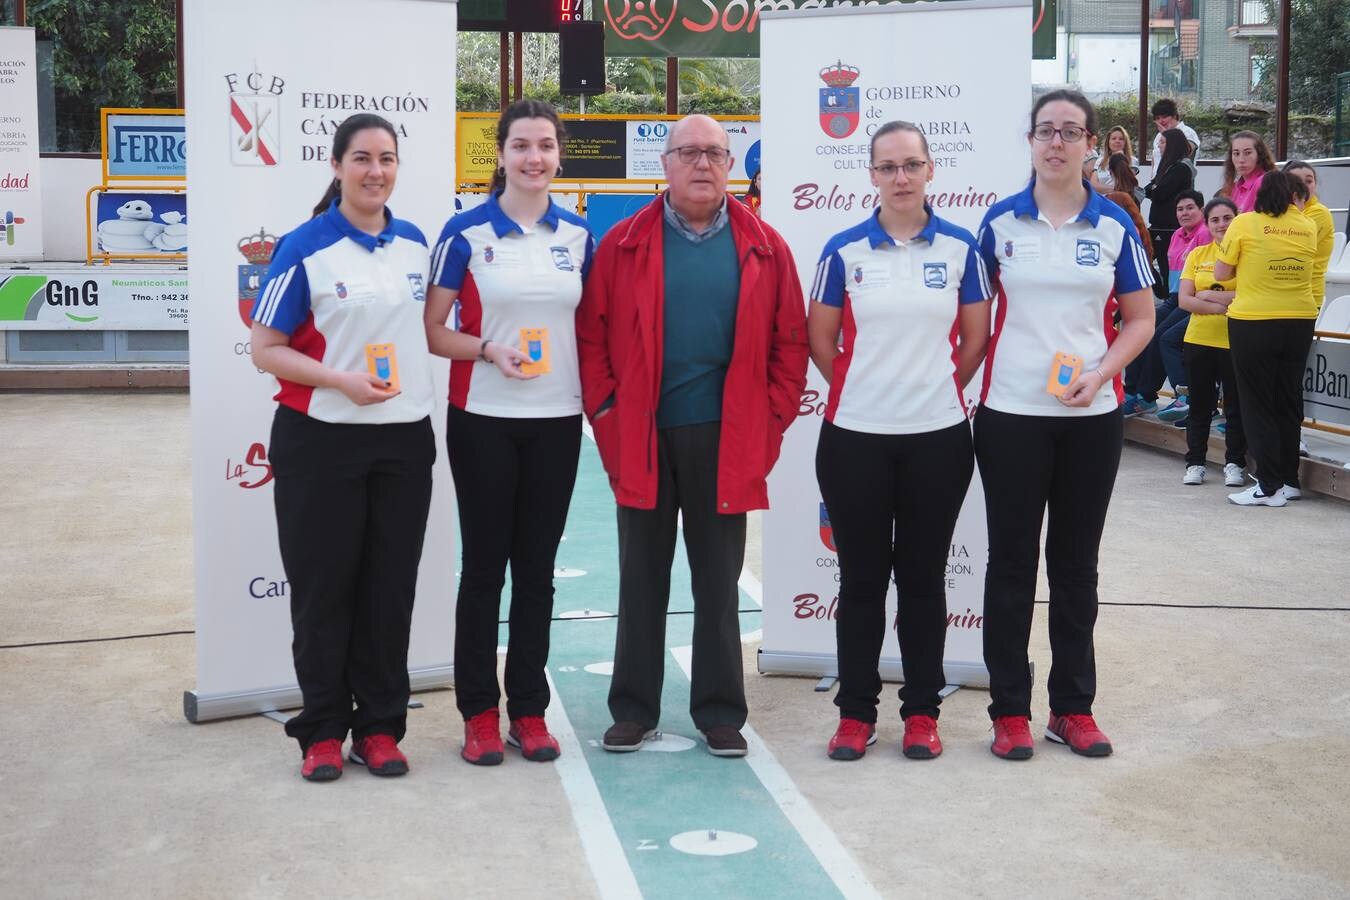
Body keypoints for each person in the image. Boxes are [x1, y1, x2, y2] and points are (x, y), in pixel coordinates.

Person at [577, 114, 809, 758]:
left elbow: (790, 343)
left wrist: (769, 422)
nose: (702, 163)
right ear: (666, 163)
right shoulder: (623, 241)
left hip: (728, 436)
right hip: (642, 435)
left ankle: (719, 712)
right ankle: (633, 708)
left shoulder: (766, 245)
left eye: (714, 152)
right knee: (641, 577)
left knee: (717, 581)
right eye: (689, 152)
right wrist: (609, 415)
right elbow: (592, 338)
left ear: (729, 163)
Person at [250, 113, 437, 782]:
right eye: (361, 158)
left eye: (386, 159)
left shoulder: (417, 243)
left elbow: (435, 334)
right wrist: (339, 381)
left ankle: (380, 728)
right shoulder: (304, 247)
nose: (375, 171)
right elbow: (264, 349)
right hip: (321, 440)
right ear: (336, 166)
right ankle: (323, 730)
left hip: (405, 443)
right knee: (325, 592)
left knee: (389, 591)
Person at [975, 90, 1155, 760]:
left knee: (1076, 568)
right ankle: (1009, 712)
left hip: (1091, 419)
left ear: (1090, 144)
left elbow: (1140, 319)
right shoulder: (999, 225)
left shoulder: (1114, 225)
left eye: (1070, 131)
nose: (1057, 142)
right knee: (1012, 566)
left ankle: (1072, 708)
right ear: (1030, 141)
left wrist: (1102, 372)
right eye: (1045, 130)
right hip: (1011, 417)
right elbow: (968, 316)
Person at [807, 121, 991, 762]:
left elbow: (974, 343)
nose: (901, 177)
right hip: (854, 437)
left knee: (921, 580)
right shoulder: (843, 249)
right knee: (859, 582)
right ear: (872, 175)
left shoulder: (963, 249)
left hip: (938, 439)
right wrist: (865, 392)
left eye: (911, 164)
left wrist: (930, 391)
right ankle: (856, 715)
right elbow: (820, 340)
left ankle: (920, 714)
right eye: (888, 167)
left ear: (931, 169)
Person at [424, 100, 594, 766]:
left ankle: (528, 708)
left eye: (546, 146)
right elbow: (434, 330)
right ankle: (478, 714)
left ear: (557, 156)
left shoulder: (580, 235)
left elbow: (595, 327)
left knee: (538, 572)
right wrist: (488, 350)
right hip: (484, 420)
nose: (534, 158)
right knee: (485, 570)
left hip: (556, 420)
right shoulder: (464, 233)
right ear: (499, 154)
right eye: (521, 145)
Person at [1216, 172, 1319, 507]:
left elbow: (1221, 273)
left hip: (1254, 320)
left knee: (1257, 402)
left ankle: (1269, 486)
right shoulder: (1307, 225)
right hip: (1300, 319)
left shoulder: (1245, 223)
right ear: (1294, 196)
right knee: (1288, 400)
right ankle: (1289, 481)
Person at [1177, 196, 1246, 486]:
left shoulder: (1247, 255)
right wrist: (1222, 305)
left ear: (1237, 220)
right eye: (1215, 219)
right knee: (1200, 406)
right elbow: (1184, 300)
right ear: (1208, 223)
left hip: (1234, 341)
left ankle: (1234, 464)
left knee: (1235, 408)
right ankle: (1195, 463)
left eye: (1227, 218)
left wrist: (1206, 295)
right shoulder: (1197, 255)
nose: (1221, 224)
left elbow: (1248, 295)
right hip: (1199, 339)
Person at [1153, 188, 1212, 423]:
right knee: (1145, 331)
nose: (1184, 213)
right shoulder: (1177, 234)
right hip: (1174, 296)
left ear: (1201, 210)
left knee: (1166, 338)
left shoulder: (1205, 233)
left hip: (1192, 296)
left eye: (1190, 208)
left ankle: (1184, 395)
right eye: (1180, 209)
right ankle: (1142, 392)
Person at [1143, 128, 1195, 295]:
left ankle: (1166, 296)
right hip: (1157, 224)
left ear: (1172, 144)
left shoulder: (1181, 168)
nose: (1159, 145)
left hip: (1169, 227)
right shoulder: (1167, 166)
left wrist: (1155, 188)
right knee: (1141, 261)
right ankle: (1163, 294)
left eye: (1163, 142)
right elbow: (1149, 187)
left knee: (1166, 267)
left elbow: (1158, 192)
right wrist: (1154, 188)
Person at [1283, 161, 1335, 307]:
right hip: (1280, 292)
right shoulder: (1280, 211)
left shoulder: (1319, 212)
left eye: (1309, 181)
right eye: (1296, 181)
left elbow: (1286, 245)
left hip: (1306, 294)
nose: (1303, 186)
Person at [1217, 131, 1276, 213]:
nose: (1241, 160)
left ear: (1259, 155)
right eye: (1236, 153)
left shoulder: (1266, 183)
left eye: (1248, 153)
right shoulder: (1233, 187)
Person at [1087, 125, 1137, 192]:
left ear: (1125, 142)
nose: (1117, 141)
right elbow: (1093, 185)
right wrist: (1114, 189)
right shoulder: (1100, 161)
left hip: (1122, 200)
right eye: (1114, 138)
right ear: (1108, 142)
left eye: (1121, 139)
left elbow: (1126, 184)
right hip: (1102, 200)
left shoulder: (1132, 160)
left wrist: (1120, 157)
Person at [1150, 98, 1199, 163]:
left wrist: (1168, 136)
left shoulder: (1188, 132)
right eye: (1157, 118)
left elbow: (1186, 151)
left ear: (1174, 116)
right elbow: (1155, 161)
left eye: (1164, 117)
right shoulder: (1159, 135)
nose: (1161, 121)